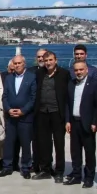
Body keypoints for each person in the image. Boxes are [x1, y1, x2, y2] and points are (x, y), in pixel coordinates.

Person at [33, 50, 70, 181]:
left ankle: (59, 171)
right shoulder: (39, 73)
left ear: (56, 60)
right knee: (44, 143)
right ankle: (46, 169)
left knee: (59, 144)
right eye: (46, 60)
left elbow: (68, 97)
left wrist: (67, 118)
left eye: (50, 60)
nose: (48, 63)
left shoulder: (64, 74)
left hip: (57, 113)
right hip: (42, 112)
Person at [65, 60, 97, 188]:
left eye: (81, 69)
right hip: (74, 122)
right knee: (75, 151)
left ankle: (89, 178)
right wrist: (67, 120)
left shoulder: (94, 84)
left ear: (86, 70)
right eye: (76, 70)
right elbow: (68, 104)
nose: (78, 72)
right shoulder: (71, 83)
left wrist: (95, 122)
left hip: (87, 123)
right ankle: (76, 175)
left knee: (89, 152)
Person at [1, 55, 36, 179]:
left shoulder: (31, 77)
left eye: (19, 63)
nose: (17, 65)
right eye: (15, 63)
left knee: (25, 144)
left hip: (25, 117)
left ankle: (26, 167)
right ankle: (7, 167)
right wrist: (8, 109)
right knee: (9, 143)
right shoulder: (9, 78)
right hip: (10, 117)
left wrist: (23, 111)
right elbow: (4, 96)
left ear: (24, 63)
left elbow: (33, 98)